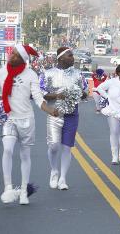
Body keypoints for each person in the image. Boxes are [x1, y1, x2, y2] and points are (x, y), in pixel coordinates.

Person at [0, 44, 58, 205]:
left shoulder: (31, 75)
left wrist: (49, 110)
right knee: (7, 149)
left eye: (16, 54)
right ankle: (8, 187)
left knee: (25, 155)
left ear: (23, 58)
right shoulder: (0, 73)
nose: (11, 56)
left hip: (27, 119)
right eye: (12, 53)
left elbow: (37, 97)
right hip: (9, 118)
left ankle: (23, 191)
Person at [39, 47, 88, 190]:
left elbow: (85, 91)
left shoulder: (78, 74)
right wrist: (57, 95)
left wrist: (78, 93)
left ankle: (63, 179)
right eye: (70, 55)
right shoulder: (48, 74)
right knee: (54, 146)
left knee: (67, 147)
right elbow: (40, 92)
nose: (73, 58)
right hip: (54, 113)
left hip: (72, 115)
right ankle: (54, 171)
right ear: (61, 58)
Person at [97, 64, 120, 165]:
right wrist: (107, 97)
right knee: (114, 132)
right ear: (118, 72)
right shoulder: (112, 82)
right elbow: (99, 88)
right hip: (114, 110)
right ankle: (114, 156)